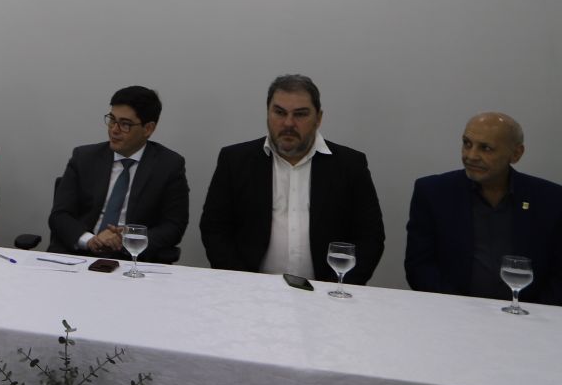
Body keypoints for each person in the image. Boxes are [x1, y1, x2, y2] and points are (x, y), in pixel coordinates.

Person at [199, 74, 385, 283]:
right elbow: (215, 229)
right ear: (268, 113)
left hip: (325, 292)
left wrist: (336, 289)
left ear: (318, 118)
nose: (288, 123)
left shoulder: (350, 165)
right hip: (251, 289)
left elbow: (370, 237)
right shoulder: (235, 161)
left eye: (300, 114)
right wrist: (243, 284)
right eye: (279, 112)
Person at [404, 112, 562, 305]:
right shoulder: (433, 193)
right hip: (452, 312)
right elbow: (420, 267)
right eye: (467, 143)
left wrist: (533, 313)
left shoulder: (550, 200)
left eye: (486, 148)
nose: (471, 156)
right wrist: (460, 309)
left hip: (529, 315)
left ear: (516, 154)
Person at [47, 85, 189, 262]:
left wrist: (127, 239)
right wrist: (90, 240)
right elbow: (60, 215)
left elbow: (174, 226)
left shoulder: (168, 166)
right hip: (79, 256)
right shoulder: (84, 158)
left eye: (125, 124)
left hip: (133, 260)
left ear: (148, 129)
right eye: (112, 120)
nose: (114, 130)